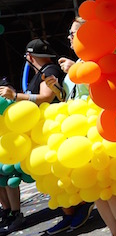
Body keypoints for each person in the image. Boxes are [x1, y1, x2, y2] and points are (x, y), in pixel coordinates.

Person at [44, 17, 116, 236]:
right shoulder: (78, 64)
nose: (69, 37)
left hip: (101, 131)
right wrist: (58, 89)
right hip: (82, 135)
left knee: (113, 189)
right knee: (96, 190)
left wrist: (77, 69)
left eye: (73, 33)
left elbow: (104, 88)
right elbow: (73, 99)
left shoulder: (99, 59)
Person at [0, 39, 65, 234]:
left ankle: (74, 210)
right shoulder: (40, 73)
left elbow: (46, 98)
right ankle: (69, 212)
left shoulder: (50, 70)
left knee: (56, 176)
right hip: (38, 132)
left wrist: (14, 96)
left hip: (48, 132)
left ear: (29, 57)